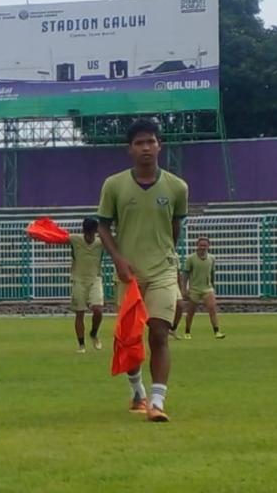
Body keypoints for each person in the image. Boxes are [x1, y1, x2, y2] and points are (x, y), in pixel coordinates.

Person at [97, 118, 188, 423]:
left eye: (151, 141)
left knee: (159, 332)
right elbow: (103, 226)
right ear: (130, 149)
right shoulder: (114, 185)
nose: (146, 147)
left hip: (163, 270)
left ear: (160, 146)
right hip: (129, 274)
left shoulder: (177, 187)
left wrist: (166, 255)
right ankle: (138, 392)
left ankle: (158, 402)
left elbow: (175, 227)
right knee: (130, 338)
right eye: (139, 143)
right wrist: (118, 259)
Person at [67, 218, 105, 353]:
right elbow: (55, 237)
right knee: (80, 313)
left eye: (92, 233)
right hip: (79, 280)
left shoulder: (100, 242)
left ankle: (94, 333)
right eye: (87, 233)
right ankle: (81, 345)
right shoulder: (75, 239)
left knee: (98, 310)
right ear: (83, 231)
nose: (89, 236)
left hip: (95, 279)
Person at [179, 237, 226, 340]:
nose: (203, 247)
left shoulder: (212, 258)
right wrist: (184, 289)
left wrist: (213, 285)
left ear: (208, 246)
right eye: (201, 245)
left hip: (207, 288)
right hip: (194, 289)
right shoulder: (191, 258)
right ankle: (187, 332)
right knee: (191, 312)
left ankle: (217, 331)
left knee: (212, 309)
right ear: (197, 246)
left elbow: (212, 273)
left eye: (205, 245)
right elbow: (185, 274)